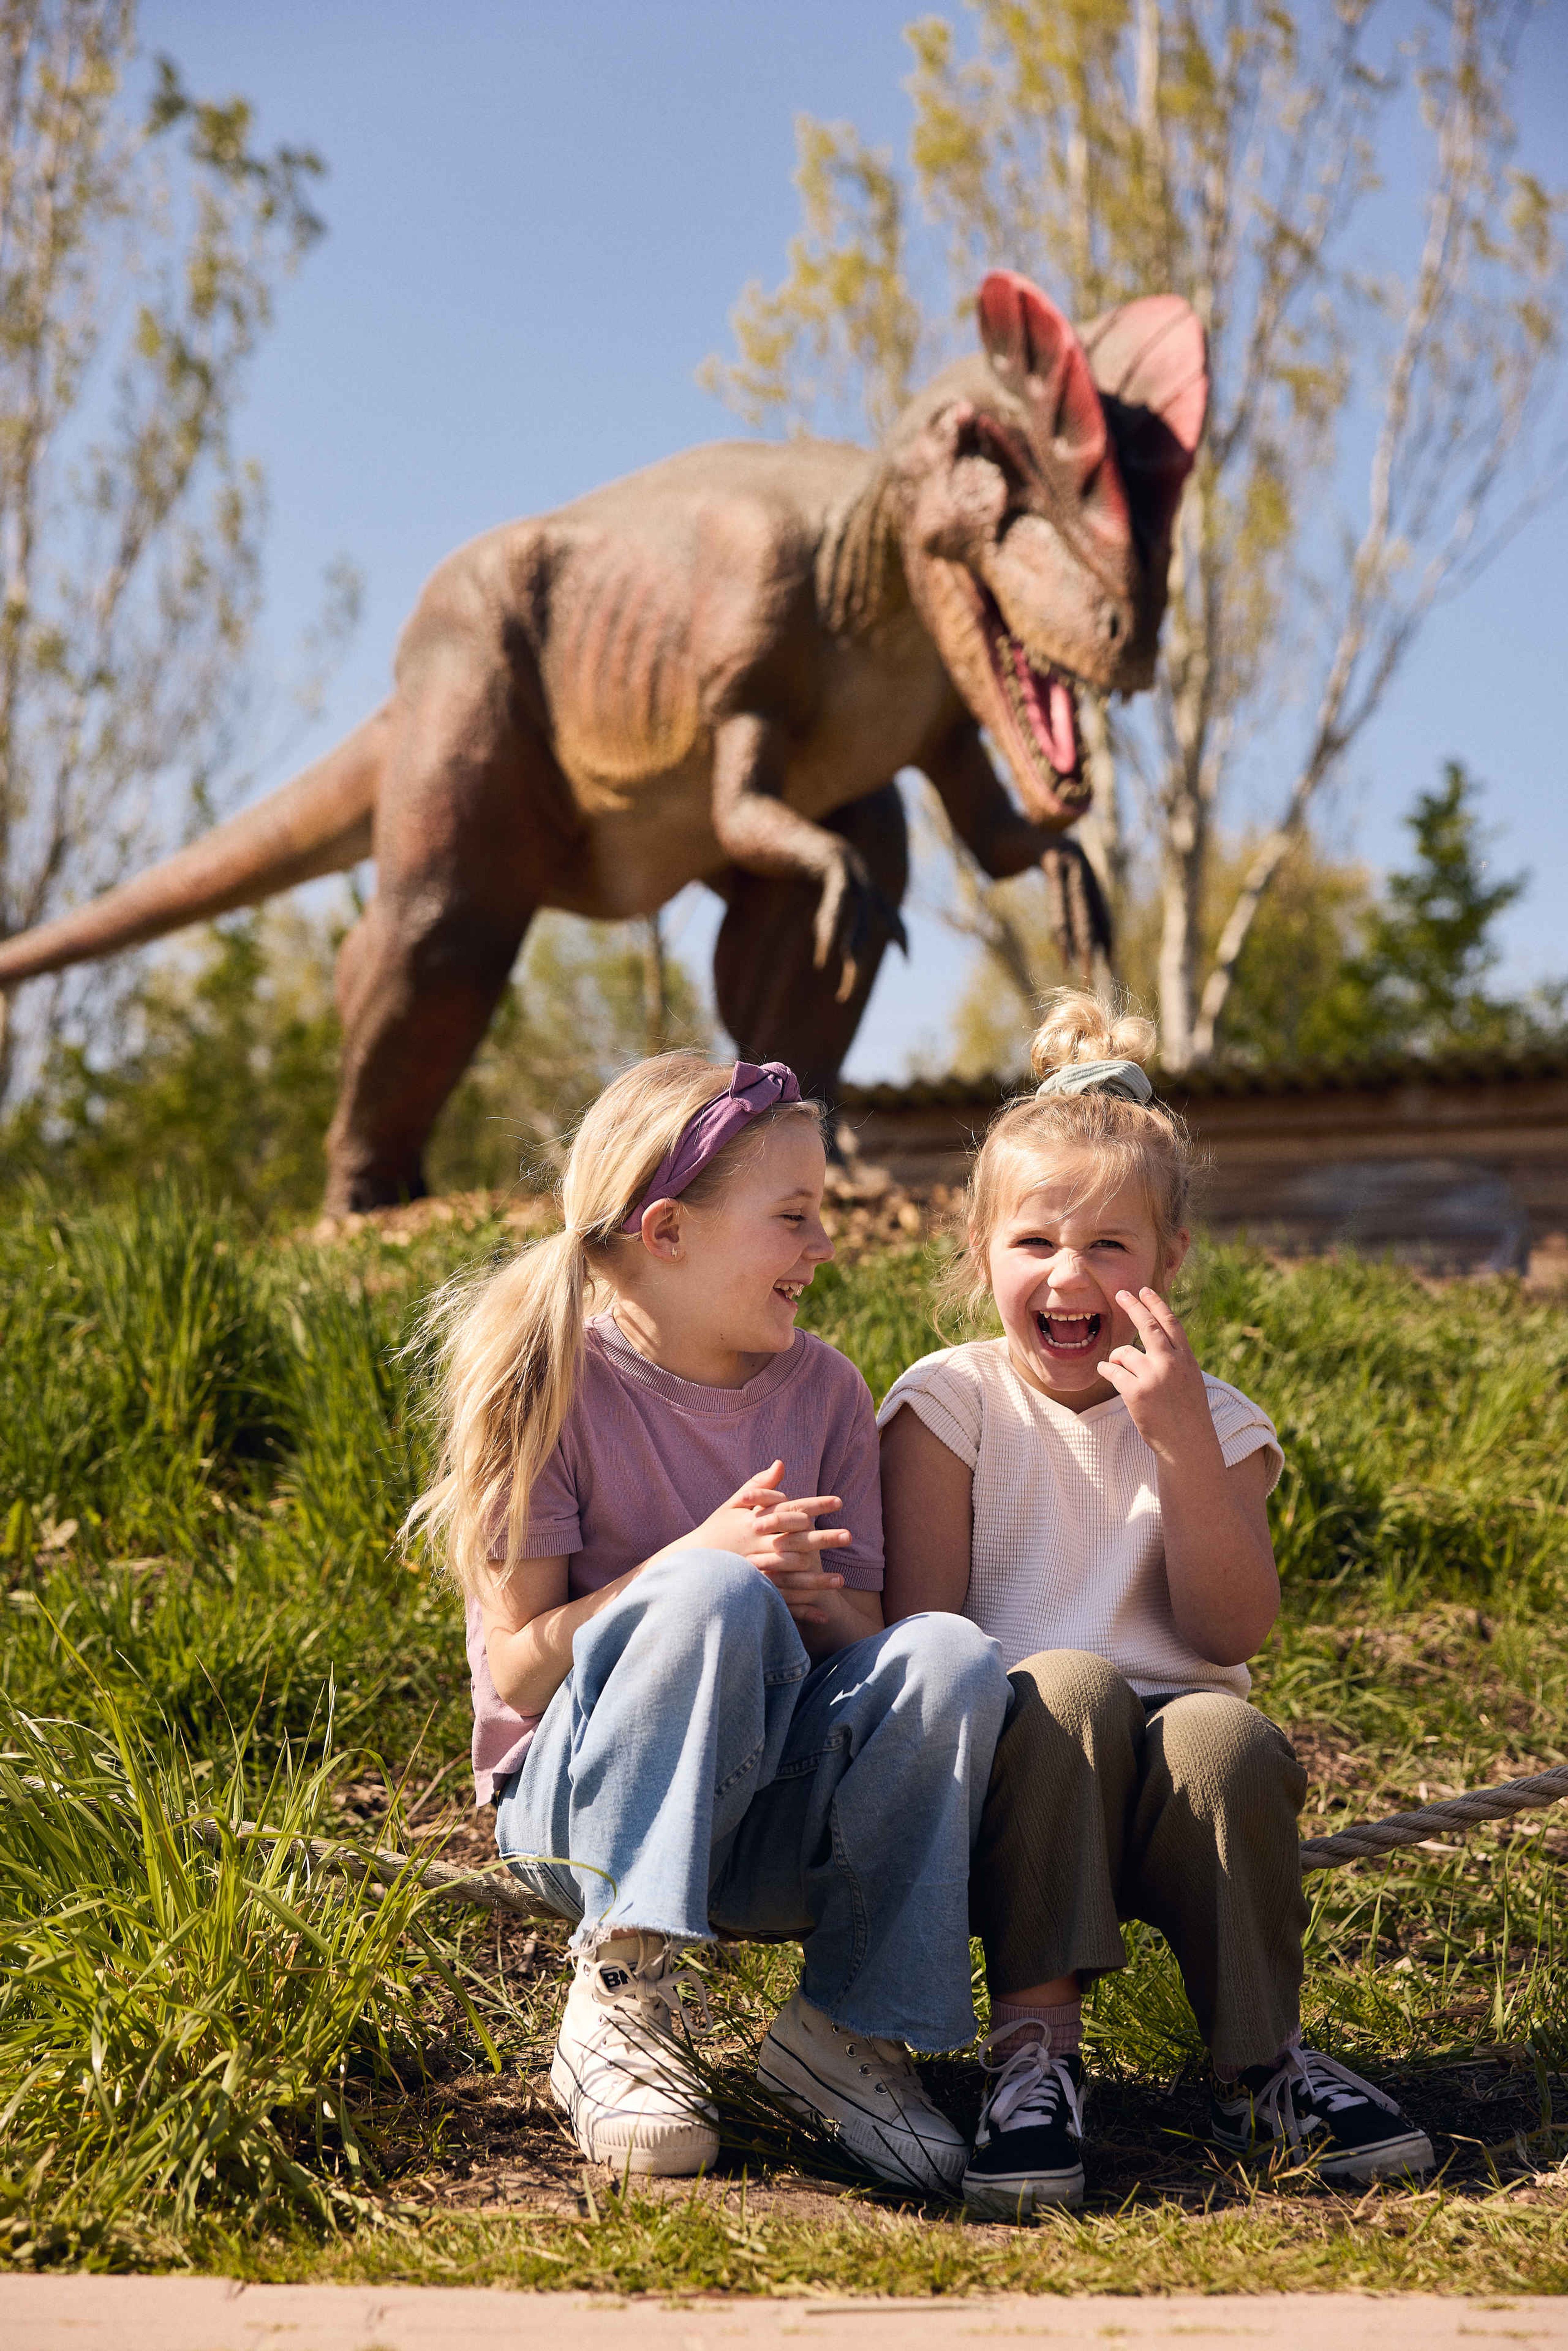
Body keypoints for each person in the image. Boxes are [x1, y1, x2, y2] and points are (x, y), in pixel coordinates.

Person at [408, 1052, 1010, 2190]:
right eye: (793, 1218)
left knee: (948, 1655)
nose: (824, 1247)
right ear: (669, 1231)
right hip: (582, 1820)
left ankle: (843, 2035)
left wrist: (815, 1599)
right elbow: (521, 1674)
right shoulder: (549, 1381)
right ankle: (621, 1994)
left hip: (766, 1824)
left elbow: (866, 1635)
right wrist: (694, 1568)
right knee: (709, 1590)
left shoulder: (826, 1392)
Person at [877, 991, 1434, 2217]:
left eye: (1110, 1248)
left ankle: (1260, 2064)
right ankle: (1031, 2057)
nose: (1069, 1275)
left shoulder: (1217, 1420)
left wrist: (1177, 1444)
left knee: (1228, 1728)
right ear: (981, 1256)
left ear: (1170, 1258)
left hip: (1176, 1786)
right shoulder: (948, 1402)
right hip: (1012, 1773)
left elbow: (1231, 1635)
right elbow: (922, 1639)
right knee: (1070, 1684)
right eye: (1035, 1245)